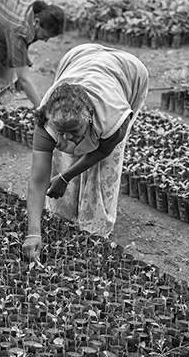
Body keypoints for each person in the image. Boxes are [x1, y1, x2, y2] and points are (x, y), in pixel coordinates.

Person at [23, 43, 149, 260]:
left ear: (90, 117)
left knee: (104, 169)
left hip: (129, 73)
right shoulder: (46, 119)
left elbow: (102, 151)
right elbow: (37, 179)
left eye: (74, 131)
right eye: (61, 132)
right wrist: (33, 232)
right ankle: (64, 212)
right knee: (62, 157)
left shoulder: (113, 118)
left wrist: (66, 177)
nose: (66, 138)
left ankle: (95, 226)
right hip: (79, 57)